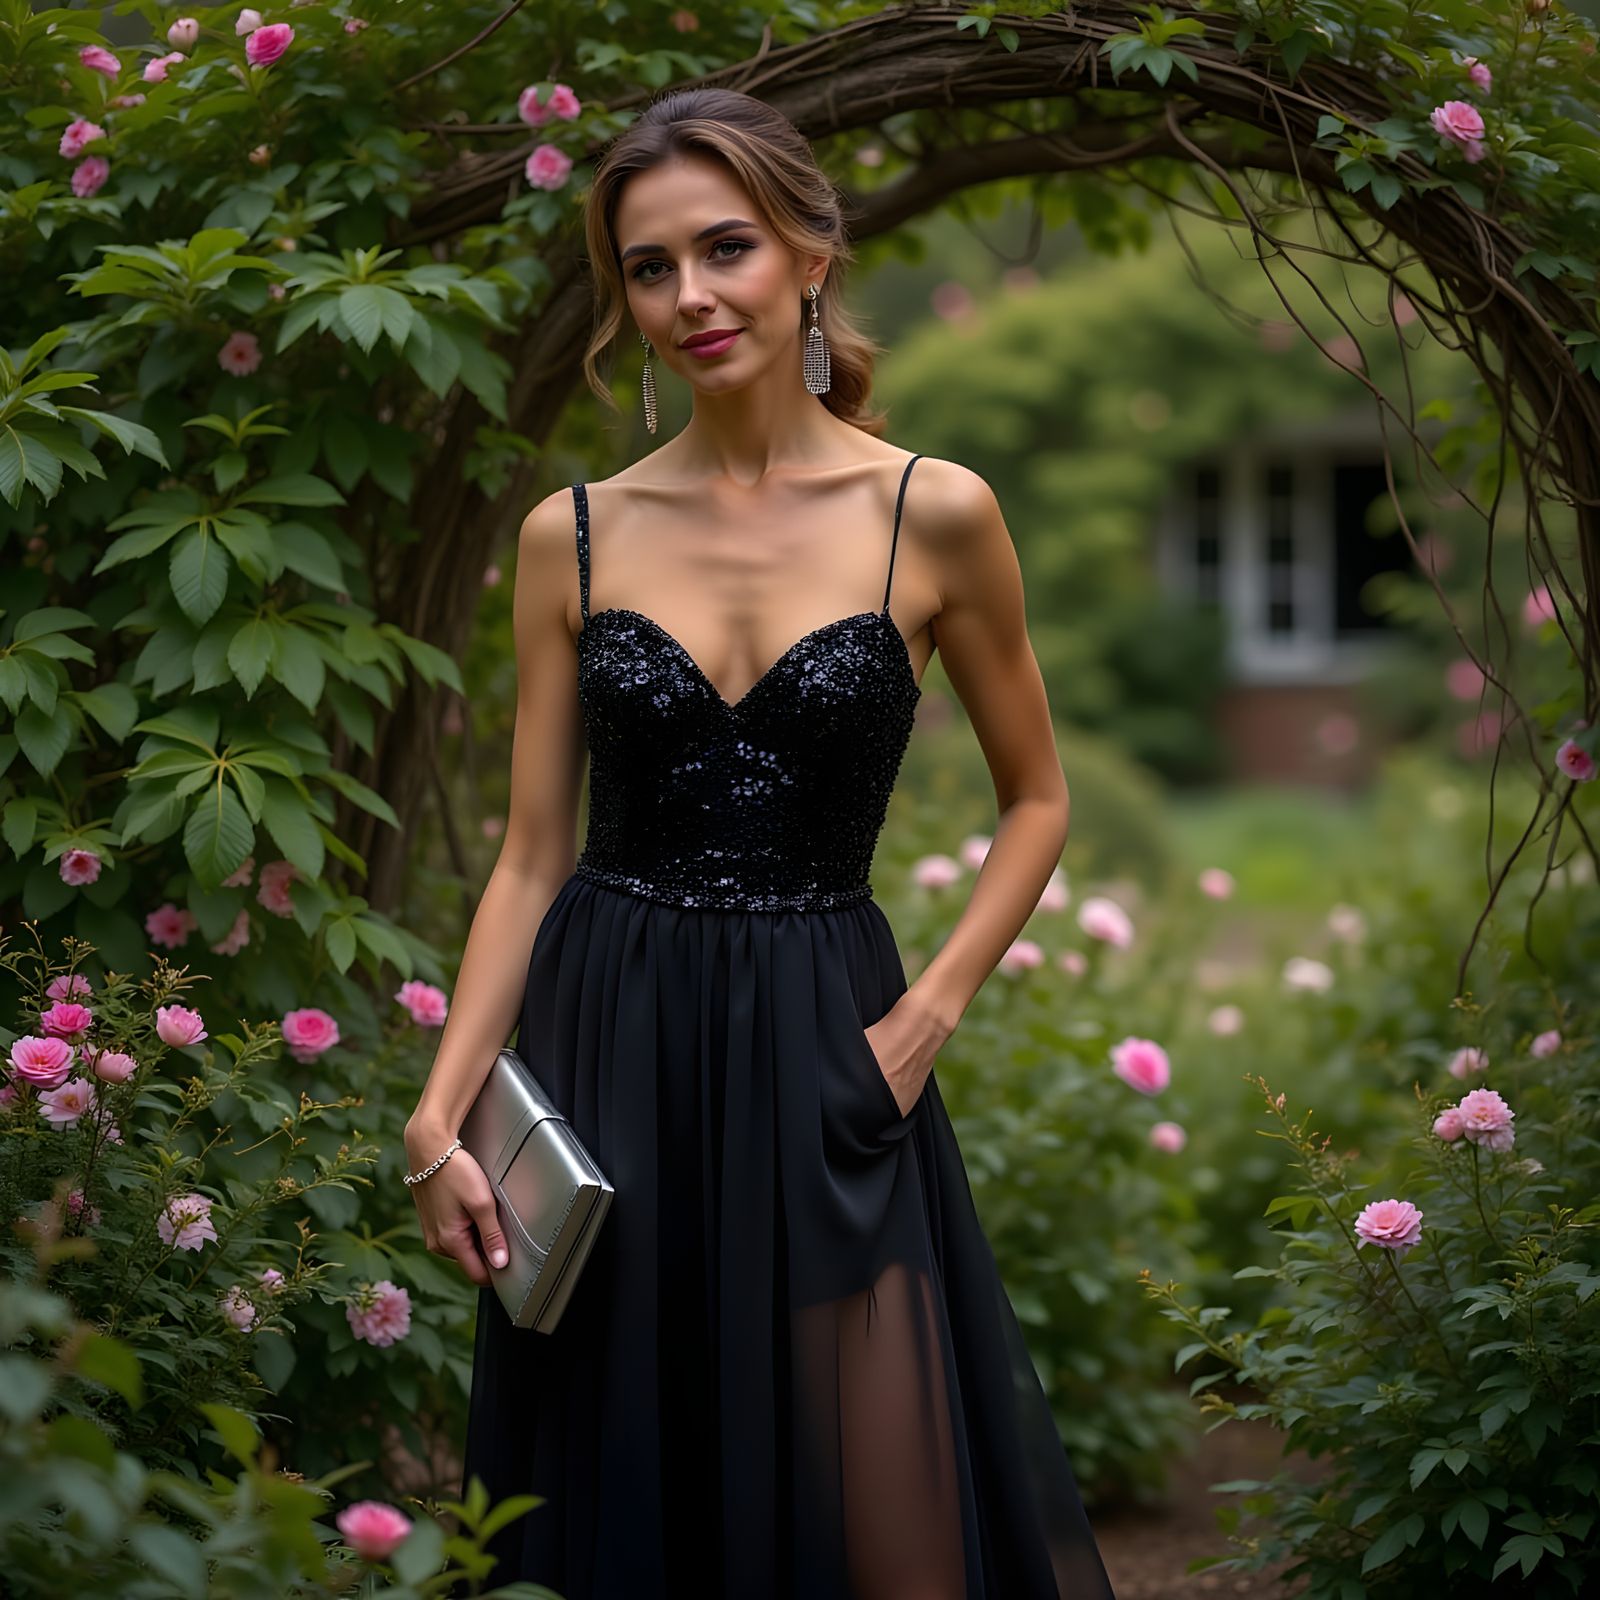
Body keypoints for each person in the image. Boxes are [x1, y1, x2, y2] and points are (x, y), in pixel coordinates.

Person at [404, 85, 1116, 1600]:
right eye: (648, 269)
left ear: (808, 246)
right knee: (626, 1497)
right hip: (610, 1034)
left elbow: (1038, 798)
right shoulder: (569, 535)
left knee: (896, 1518)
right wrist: (444, 1109)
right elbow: (531, 854)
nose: (689, 297)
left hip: (828, 1039)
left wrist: (921, 1023)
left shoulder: (935, 511)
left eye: (722, 247)